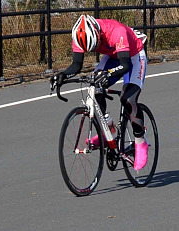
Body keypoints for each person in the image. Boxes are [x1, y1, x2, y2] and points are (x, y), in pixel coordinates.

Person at [50, 14, 149, 170]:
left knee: (128, 99)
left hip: (133, 57)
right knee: (94, 87)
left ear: (98, 33)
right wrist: (62, 75)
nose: (95, 50)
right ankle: (108, 128)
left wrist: (108, 74)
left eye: (96, 46)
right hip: (113, 57)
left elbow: (125, 66)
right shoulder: (79, 36)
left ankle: (140, 142)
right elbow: (76, 65)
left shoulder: (117, 31)